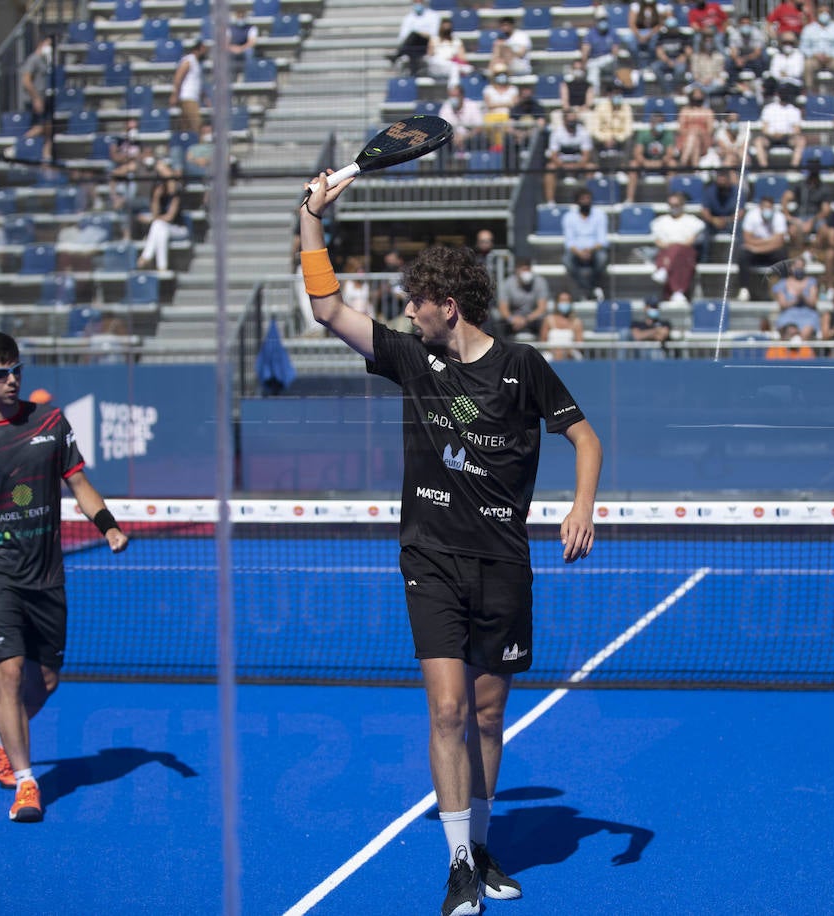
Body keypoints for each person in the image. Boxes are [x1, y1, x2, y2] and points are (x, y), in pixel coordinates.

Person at [297, 171, 601, 916]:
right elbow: (327, 307)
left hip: (504, 560)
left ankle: (484, 842)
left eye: (414, 301)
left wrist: (581, 505)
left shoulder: (521, 367)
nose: (406, 310)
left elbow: (585, 437)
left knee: (490, 716)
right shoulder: (411, 359)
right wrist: (311, 219)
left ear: (448, 306)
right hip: (429, 556)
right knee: (446, 710)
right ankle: (459, 862)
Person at [0, 332, 128, 823]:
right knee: (10, 675)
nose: (12, 379)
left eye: (16, 370)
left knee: (48, 680)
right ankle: (26, 783)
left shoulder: (52, 423)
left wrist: (109, 526)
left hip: (46, 574)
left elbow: (79, 482)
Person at [649, 191, 707, 303]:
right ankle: (678, 291)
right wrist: (671, 246)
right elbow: (658, 242)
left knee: (679, 252)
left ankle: (664, 270)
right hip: (666, 252)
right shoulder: (660, 222)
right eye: (671, 205)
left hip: (685, 252)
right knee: (674, 254)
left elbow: (690, 241)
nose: (674, 208)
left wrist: (674, 246)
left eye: (676, 205)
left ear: (682, 205)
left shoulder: (692, 221)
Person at [736, 195, 791, 301]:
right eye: (765, 207)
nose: (767, 210)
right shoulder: (751, 216)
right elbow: (747, 240)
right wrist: (770, 240)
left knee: (783, 253)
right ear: (760, 207)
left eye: (770, 207)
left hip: (769, 252)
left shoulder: (779, 217)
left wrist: (757, 247)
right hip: (755, 253)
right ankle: (744, 289)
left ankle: (784, 288)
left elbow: (779, 242)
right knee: (742, 254)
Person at [561, 188, 610, 299]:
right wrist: (579, 253)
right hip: (576, 251)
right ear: (577, 201)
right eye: (583, 199)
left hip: (594, 250)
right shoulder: (569, 217)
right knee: (566, 260)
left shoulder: (600, 215)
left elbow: (602, 240)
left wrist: (590, 250)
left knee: (602, 257)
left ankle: (587, 289)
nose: (586, 201)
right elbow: (569, 242)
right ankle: (588, 288)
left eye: (588, 199)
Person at [136, 168, 188, 272]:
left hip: (179, 229)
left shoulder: (176, 196)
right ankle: (161, 266)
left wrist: (150, 220)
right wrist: (156, 198)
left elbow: (169, 217)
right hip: (163, 228)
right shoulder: (162, 197)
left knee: (158, 224)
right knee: (160, 227)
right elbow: (155, 215)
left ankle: (146, 257)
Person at [543, 108, 594, 204]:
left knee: (591, 167)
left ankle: (589, 200)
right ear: (564, 120)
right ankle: (550, 201)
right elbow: (553, 155)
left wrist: (576, 166)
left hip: (579, 163)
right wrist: (563, 166)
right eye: (570, 120)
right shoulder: (557, 133)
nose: (572, 122)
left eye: (574, 120)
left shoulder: (583, 132)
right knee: (550, 168)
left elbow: (586, 155)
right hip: (561, 163)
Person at [625, 114, 677, 203]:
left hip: (662, 165)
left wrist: (659, 163)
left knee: (672, 164)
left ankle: (671, 198)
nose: (658, 125)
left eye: (661, 123)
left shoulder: (668, 134)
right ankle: (630, 198)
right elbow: (637, 153)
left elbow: (669, 154)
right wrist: (646, 163)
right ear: (651, 124)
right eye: (656, 123)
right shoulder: (644, 134)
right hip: (645, 164)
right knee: (633, 164)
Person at [755, 84, 808, 168]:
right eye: (782, 93)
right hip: (771, 138)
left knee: (801, 141)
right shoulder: (768, 108)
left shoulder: (794, 110)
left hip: (787, 138)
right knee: (758, 141)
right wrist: (773, 134)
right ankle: (764, 168)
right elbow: (764, 129)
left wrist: (784, 134)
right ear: (778, 94)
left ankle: (793, 168)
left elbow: (797, 130)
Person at [587, 82, 635, 172]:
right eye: (615, 93)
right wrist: (605, 139)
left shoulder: (626, 107)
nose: (617, 95)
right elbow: (595, 129)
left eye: (619, 93)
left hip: (619, 138)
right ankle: (596, 169)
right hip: (603, 139)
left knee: (630, 140)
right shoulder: (600, 107)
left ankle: (623, 169)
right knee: (591, 139)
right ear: (609, 95)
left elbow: (628, 130)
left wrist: (616, 139)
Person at [496, 257, 550, 337]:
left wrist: (526, 319)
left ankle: (542, 348)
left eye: (528, 269)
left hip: (533, 319)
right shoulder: (507, 284)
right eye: (523, 269)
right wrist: (512, 319)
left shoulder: (540, 282)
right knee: (498, 326)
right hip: (513, 319)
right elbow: (503, 308)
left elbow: (542, 308)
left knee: (545, 323)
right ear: (517, 270)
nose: (526, 272)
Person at [18, 35, 54, 151]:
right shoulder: (33, 59)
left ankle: (46, 157)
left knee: (49, 130)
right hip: (36, 100)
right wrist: (36, 99)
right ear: (41, 44)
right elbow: (26, 80)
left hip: (44, 99)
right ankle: (17, 147)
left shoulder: (45, 60)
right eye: (47, 44)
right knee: (40, 128)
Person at [772, 256, 820, 338]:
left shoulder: (811, 282)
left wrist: (803, 298)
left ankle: (803, 349)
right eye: (797, 266)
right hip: (788, 315)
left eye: (801, 266)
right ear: (791, 268)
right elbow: (782, 304)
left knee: (807, 330)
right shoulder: (783, 283)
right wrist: (795, 300)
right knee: (788, 330)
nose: (799, 269)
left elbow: (813, 302)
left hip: (807, 315)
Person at [392, 0, 440, 76]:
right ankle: (413, 76)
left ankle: (397, 56)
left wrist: (418, 33)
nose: (418, 4)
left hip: (426, 44)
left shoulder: (433, 15)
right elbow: (403, 36)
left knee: (414, 35)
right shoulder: (408, 18)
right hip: (412, 45)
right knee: (412, 47)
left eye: (419, 1)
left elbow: (434, 34)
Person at [170, 40, 208, 135]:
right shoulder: (188, 61)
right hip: (187, 97)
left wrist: (205, 98)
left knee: (187, 127)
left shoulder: (197, 63)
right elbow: (178, 77)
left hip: (193, 98)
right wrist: (175, 94)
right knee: (196, 126)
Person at [801, 6, 834, 82]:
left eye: (826, 12)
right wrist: (814, 55)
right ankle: (809, 89)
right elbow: (803, 47)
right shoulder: (808, 29)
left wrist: (831, 56)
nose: (824, 14)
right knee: (807, 65)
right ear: (817, 14)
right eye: (821, 12)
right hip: (814, 59)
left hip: (832, 59)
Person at [673, 88, 716, 167]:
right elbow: (681, 129)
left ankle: (682, 163)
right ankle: (695, 169)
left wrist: (699, 132)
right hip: (686, 140)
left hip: (703, 140)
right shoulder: (685, 111)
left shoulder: (708, 112)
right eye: (695, 96)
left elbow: (710, 130)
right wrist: (692, 131)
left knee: (694, 135)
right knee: (694, 139)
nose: (697, 99)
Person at [426, 18, 474, 89]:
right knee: (450, 65)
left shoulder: (456, 41)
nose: (446, 30)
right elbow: (430, 56)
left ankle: (453, 90)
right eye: (444, 27)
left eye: (448, 28)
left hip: (449, 66)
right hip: (436, 66)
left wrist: (452, 58)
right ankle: (454, 90)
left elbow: (463, 58)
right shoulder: (434, 39)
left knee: (463, 68)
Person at [540, 291, 586, 359]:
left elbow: (580, 344)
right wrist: (554, 351)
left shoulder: (576, 322)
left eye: (567, 300)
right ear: (557, 302)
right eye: (562, 300)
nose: (564, 303)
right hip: (551, 354)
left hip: (570, 354)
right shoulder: (548, 320)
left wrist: (567, 351)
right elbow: (543, 341)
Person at [227, 16, 259, 81]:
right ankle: (230, 79)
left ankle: (249, 78)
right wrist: (233, 48)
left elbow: (251, 42)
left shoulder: (251, 28)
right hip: (233, 49)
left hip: (244, 49)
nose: (240, 17)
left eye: (242, 15)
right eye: (239, 14)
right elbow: (225, 43)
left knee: (249, 51)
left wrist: (240, 48)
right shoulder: (230, 28)